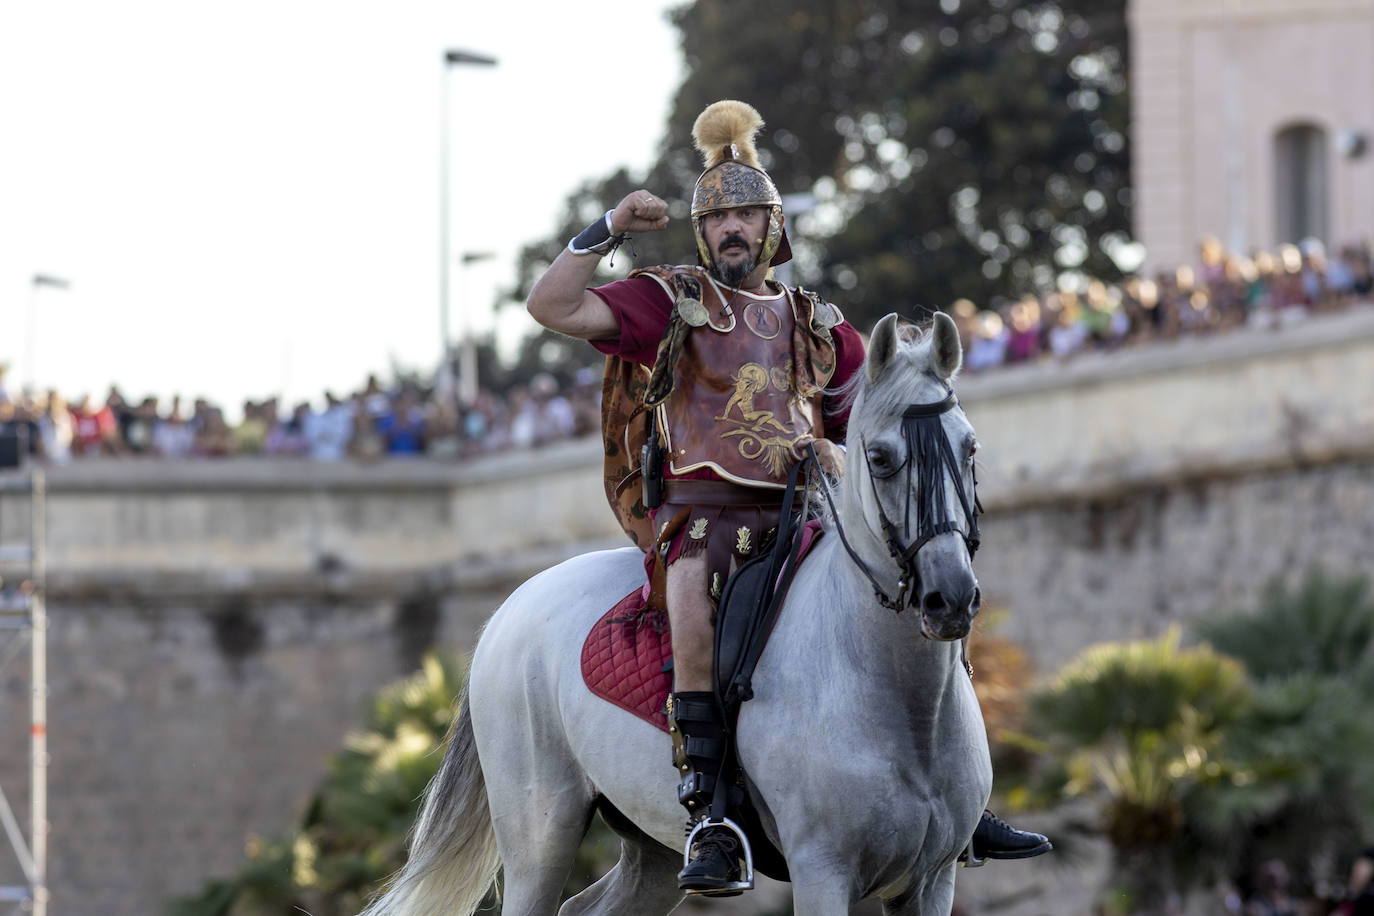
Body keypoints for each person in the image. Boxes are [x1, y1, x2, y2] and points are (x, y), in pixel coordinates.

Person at [526, 99, 1049, 894]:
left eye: (745, 213)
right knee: (696, 601)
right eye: (718, 217)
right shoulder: (669, 299)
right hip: (700, 523)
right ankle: (710, 815)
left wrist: (832, 451)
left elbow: (857, 426)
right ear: (703, 234)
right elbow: (552, 306)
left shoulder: (820, 324)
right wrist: (607, 229)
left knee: (912, 579)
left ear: (773, 225)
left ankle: (955, 802)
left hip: (803, 519)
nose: (731, 228)